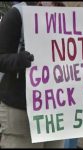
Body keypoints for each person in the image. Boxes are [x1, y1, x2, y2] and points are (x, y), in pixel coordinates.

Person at [0, 1, 65, 148]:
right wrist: (19, 60)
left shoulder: (69, 15)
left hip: (55, 112)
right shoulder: (18, 14)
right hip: (21, 110)